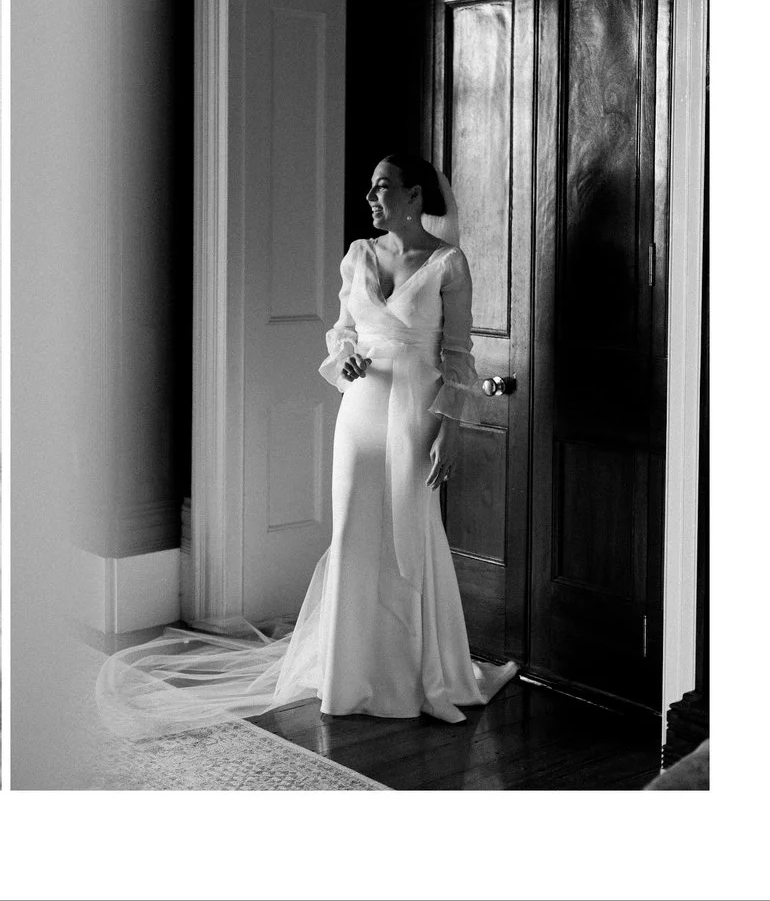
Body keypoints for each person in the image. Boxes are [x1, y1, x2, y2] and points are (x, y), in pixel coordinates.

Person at [98, 155, 517, 738]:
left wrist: (450, 429)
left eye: (383, 188)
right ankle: (348, 677)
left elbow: (459, 355)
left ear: (416, 195)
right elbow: (345, 331)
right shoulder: (360, 256)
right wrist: (345, 357)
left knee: (409, 535)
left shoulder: (448, 263)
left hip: (417, 414)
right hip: (362, 411)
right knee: (350, 530)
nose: (370, 198)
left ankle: (418, 674)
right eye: (369, 189)